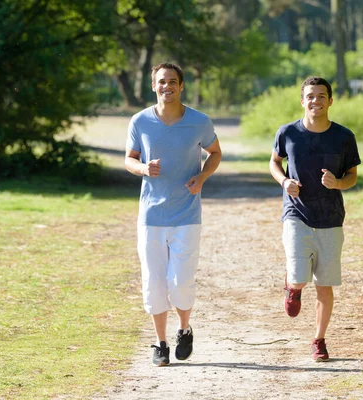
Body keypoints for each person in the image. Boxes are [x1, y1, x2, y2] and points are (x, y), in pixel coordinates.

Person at [125, 62, 222, 367]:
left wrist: (202, 177)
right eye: (161, 82)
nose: (166, 86)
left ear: (181, 86)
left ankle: (184, 328)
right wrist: (143, 168)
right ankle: (160, 342)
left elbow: (215, 153)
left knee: (180, 281)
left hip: (186, 214)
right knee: (153, 281)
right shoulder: (139, 121)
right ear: (153, 86)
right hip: (151, 215)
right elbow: (129, 158)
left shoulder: (199, 121)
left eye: (172, 82)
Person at [269, 76, 361, 362]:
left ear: (330, 101)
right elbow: (274, 162)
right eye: (310, 96)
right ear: (302, 100)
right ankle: (292, 286)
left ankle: (319, 340)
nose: (315, 101)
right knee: (299, 276)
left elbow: (352, 177)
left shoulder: (344, 137)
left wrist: (337, 183)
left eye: (321, 96)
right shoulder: (288, 133)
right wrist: (285, 182)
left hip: (331, 217)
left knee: (325, 284)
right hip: (296, 212)